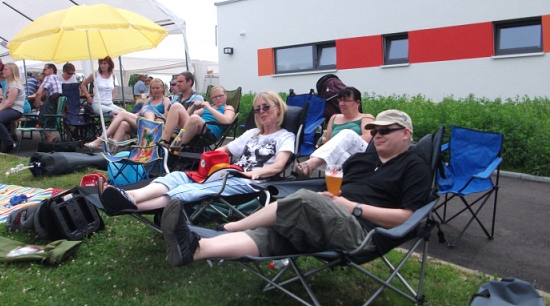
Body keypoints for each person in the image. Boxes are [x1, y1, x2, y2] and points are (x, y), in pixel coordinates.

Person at [160, 109, 432, 267]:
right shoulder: (361, 160)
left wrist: (353, 207)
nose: (378, 135)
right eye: (374, 131)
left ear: (406, 133)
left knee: (303, 200)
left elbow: (407, 217)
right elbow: (339, 190)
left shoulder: (414, 167)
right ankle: (196, 249)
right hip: (330, 218)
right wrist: (335, 198)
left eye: (385, 130)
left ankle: (228, 227)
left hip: (363, 234)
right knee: (272, 233)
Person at [99, 91, 295, 212]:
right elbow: (224, 149)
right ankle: (129, 195)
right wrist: (210, 160)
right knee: (177, 177)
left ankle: (129, 205)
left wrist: (255, 173)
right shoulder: (252, 134)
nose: (261, 112)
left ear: (278, 109)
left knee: (191, 190)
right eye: (257, 109)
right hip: (227, 173)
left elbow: (278, 166)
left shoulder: (285, 137)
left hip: (248, 182)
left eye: (266, 107)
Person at [296, 87, 374, 177]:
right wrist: (337, 147)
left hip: (361, 154)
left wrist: (343, 143)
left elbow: (368, 138)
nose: (342, 104)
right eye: (340, 100)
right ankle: (346, 181)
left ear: (357, 103)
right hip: (347, 161)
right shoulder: (334, 118)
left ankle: (311, 163)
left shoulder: (366, 117)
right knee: (339, 154)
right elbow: (327, 141)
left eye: (347, 101)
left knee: (347, 134)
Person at [85, 77, 171, 151]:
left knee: (122, 114)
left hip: (154, 126)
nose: (155, 90)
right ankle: (112, 151)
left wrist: (154, 118)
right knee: (123, 124)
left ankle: (101, 139)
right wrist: (129, 116)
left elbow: (166, 116)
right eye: (153, 88)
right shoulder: (149, 100)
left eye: (157, 88)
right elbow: (139, 113)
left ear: (162, 88)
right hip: (142, 123)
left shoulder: (165, 99)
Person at [160, 85, 235, 150]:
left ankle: (178, 146)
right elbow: (188, 116)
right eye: (215, 97)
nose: (218, 98)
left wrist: (209, 108)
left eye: (220, 95)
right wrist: (193, 107)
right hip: (193, 128)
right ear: (212, 99)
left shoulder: (228, 108)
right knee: (176, 106)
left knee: (195, 118)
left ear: (226, 95)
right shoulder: (209, 106)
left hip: (208, 133)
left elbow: (227, 120)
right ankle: (165, 142)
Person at [157, 71, 204, 145]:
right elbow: (167, 115)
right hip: (174, 129)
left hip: (189, 129)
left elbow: (192, 118)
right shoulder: (176, 97)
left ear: (189, 82)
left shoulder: (197, 98)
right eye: (177, 82)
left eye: (180, 81)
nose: (178, 84)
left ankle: (164, 142)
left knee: (176, 106)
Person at [33, 63, 63, 143]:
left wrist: (37, 106)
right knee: (41, 115)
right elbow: (43, 94)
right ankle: (50, 137)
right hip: (58, 108)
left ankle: (50, 136)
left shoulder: (49, 77)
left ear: (51, 70)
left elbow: (39, 93)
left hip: (51, 107)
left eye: (44, 69)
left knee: (37, 116)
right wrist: (40, 81)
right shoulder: (58, 78)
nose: (43, 72)